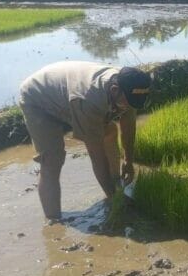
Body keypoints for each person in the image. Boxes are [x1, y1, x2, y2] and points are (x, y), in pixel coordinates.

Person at [18, 61, 151, 220]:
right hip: (38, 99)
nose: (129, 107)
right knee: (52, 159)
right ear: (115, 90)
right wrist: (115, 199)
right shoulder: (88, 100)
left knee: (109, 132)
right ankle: (54, 221)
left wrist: (128, 162)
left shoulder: (130, 87)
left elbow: (128, 125)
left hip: (66, 90)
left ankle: (116, 182)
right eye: (127, 103)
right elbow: (97, 158)